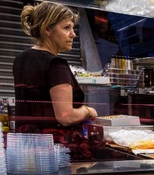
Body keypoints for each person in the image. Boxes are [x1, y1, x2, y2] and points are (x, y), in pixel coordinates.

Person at [13, 1, 98, 135]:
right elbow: (66, 117)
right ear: (47, 29)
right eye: (66, 28)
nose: (73, 34)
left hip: (26, 143)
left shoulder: (20, 60)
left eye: (72, 28)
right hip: (56, 147)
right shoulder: (56, 64)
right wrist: (88, 111)